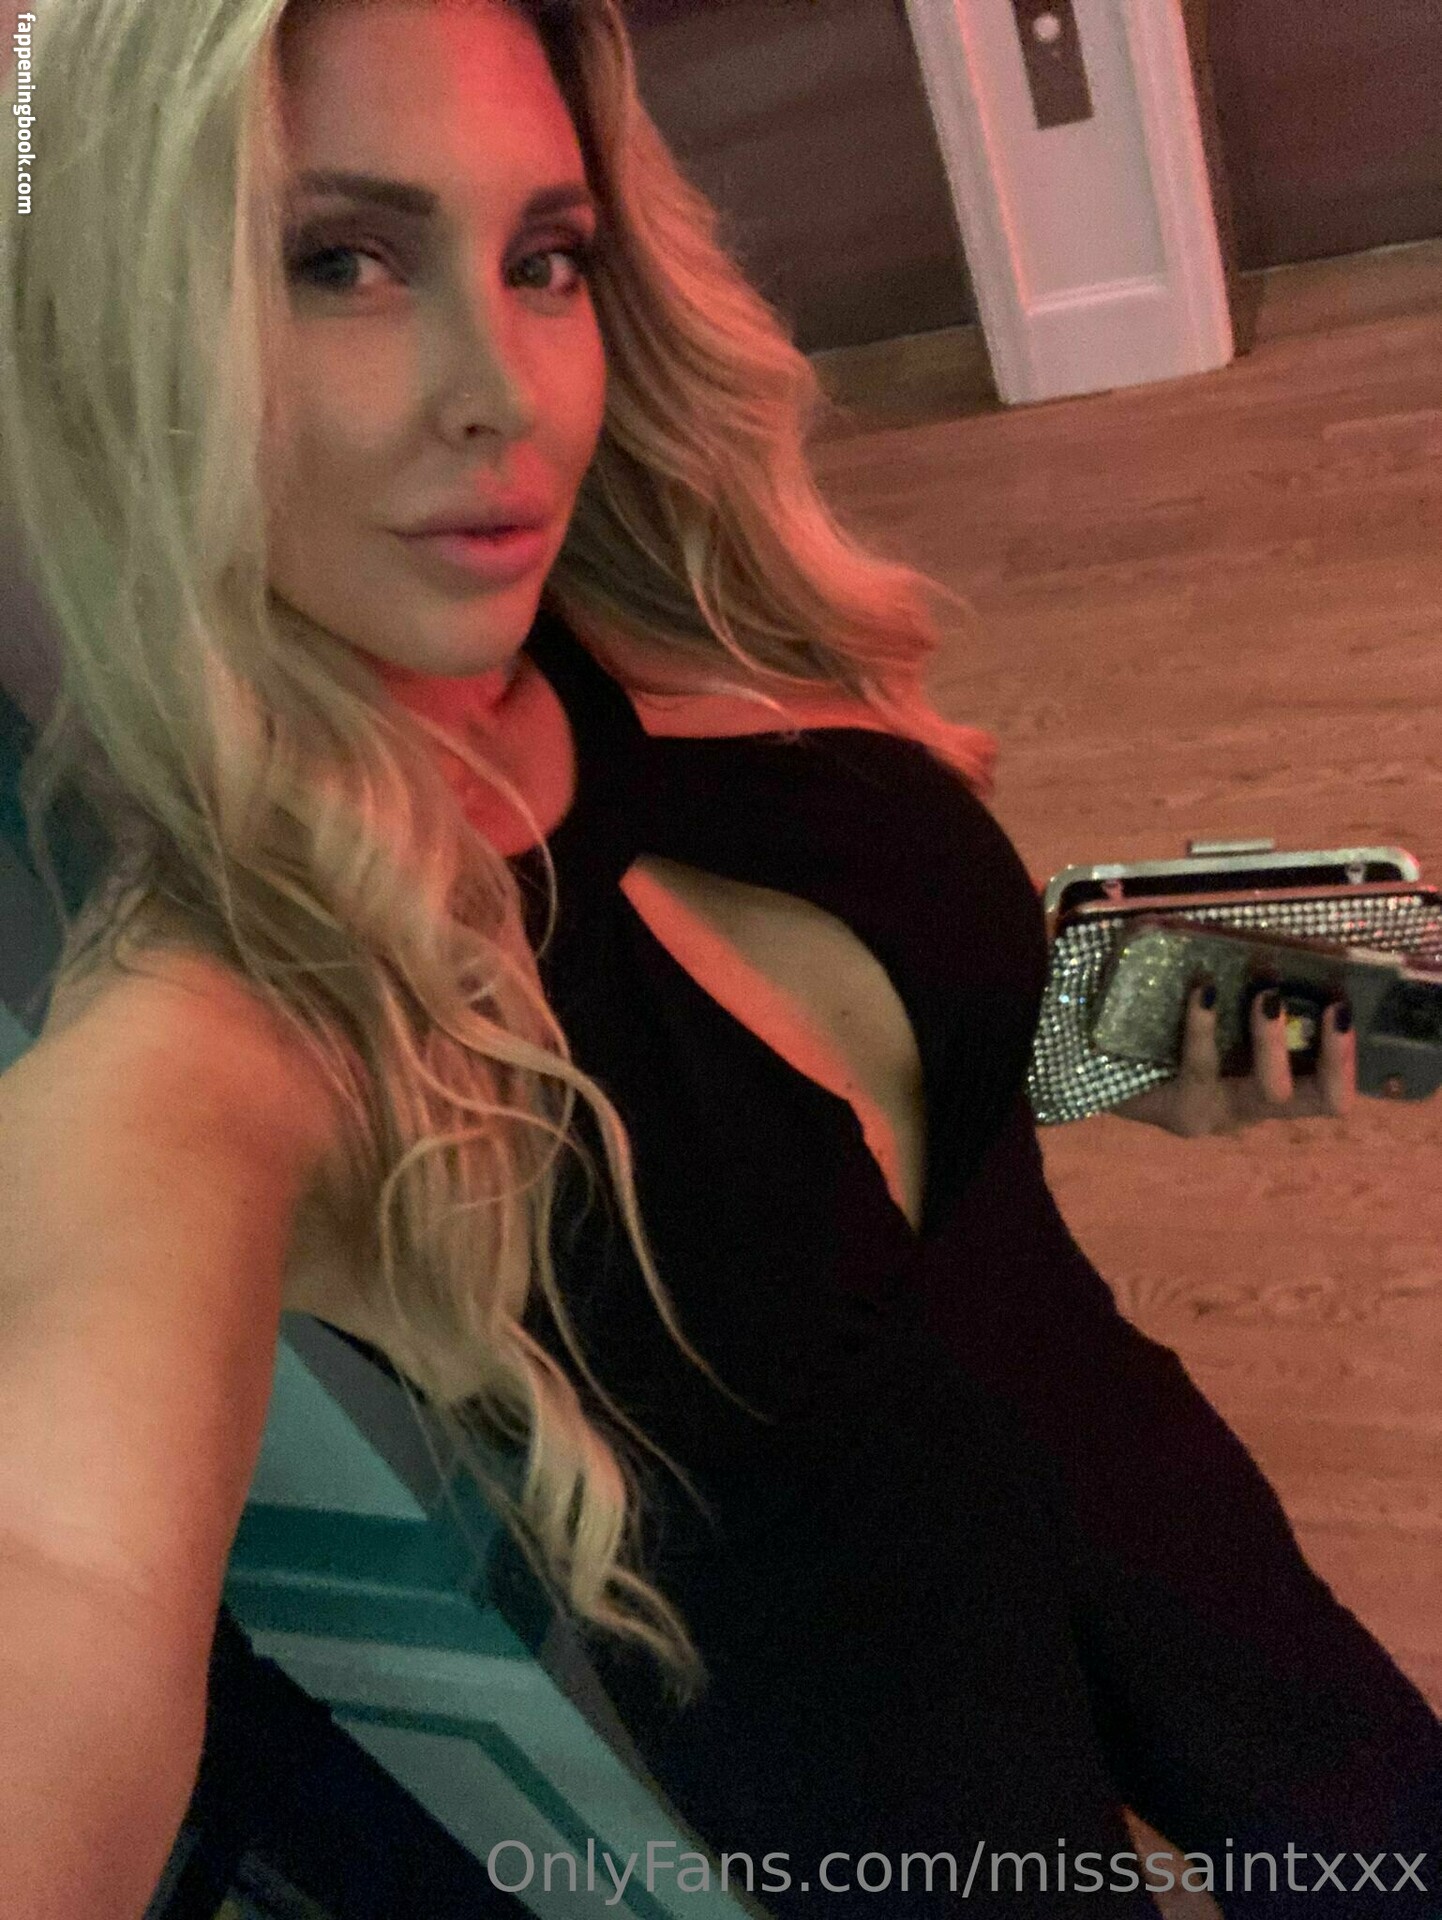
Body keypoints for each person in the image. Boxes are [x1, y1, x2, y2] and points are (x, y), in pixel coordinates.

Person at [0, 1, 1437, 1915]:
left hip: (1171, 1533)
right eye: (337, 260)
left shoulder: (639, 616)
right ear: (118, 329)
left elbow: (946, 1057)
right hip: (895, 1801)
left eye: (542, 259)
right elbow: (58, 1568)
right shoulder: (218, 1021)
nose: (502, 390)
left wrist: (1378, 987)